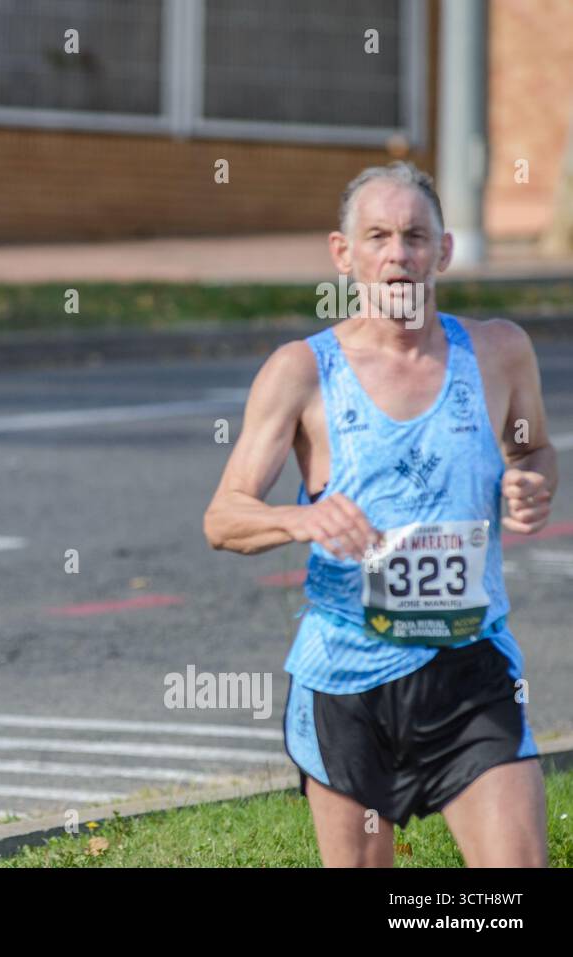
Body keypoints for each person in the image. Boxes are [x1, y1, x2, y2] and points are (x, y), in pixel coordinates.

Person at [203, 161, 556, 867]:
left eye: (416, 236)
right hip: (346, 679)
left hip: (470, 667)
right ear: (345, 253)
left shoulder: (498, 352)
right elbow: (224, 516)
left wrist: (531, 481)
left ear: (444, 251)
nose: (399, 253)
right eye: (379, 236)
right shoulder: (302, 372)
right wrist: (297, 520)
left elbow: (534, 449)